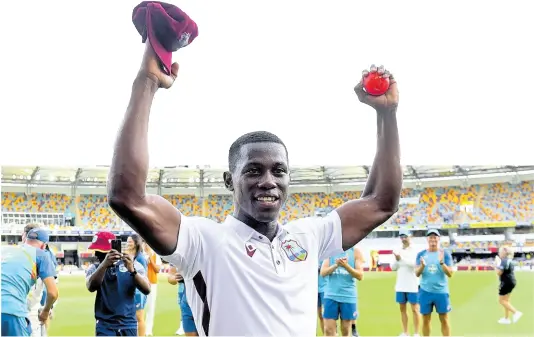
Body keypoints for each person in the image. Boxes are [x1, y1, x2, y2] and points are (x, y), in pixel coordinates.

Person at [107, 40, 402, 336]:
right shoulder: (203, 242)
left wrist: (387, 115)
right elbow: (128, 197)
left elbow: (381, 202)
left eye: (279, 171)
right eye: (253, 170)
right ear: (228, 181)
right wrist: (147, 82)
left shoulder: (309, 236)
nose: (268, 181)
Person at [86, 231, 151, 336]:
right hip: (104, 325)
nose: (96, 254)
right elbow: (91, 287)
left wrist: (132, 271)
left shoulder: (132, 264)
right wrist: (104, 265)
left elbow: (147, 289)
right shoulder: (94, 268)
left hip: (128, 324)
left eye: (99, 251)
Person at [1, 228, 58, 337]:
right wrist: (46, 311)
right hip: (12, 311)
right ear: (44, 245)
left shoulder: (5, 250)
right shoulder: (41, 254)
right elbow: (53, 293)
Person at [415, 229, 454, 337]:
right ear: (427, 239)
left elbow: (450, 274)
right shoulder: (421, 254)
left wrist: (441, 262)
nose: (433, 239)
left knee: (444, 319)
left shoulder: (445, 254)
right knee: (426, 320)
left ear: (438, 239)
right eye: (430, 237)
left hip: (441, 292)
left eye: (435, 237)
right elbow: (417, 273)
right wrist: (422, 266)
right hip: (425, 291)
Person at [321, 246, 364, 337]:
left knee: (345, 330)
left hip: (348, 296)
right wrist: (336, 265)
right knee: (328, 330)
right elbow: (323, 272)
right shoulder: (330, 251)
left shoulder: (355, 252)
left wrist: (346, 266)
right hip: (331, 295)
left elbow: (360, 275)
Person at [391, 229, 420, 337]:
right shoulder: (397, 250)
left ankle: (416, 333)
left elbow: (414, 264)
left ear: (410, 237)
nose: (403, 239)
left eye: (405, 237)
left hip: (413, 284)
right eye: (401, 237)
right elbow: (393, 267)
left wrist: (401, 258)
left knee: (415, 309)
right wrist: (397, 259)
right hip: (400, 285)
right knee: (402, 309)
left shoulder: (415, 250)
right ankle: (405, 332)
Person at [127, 234, 149, 336]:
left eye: (130, 241)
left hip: (139, 291)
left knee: (139, 317)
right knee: (133, 316)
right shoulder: (130, 255)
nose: (128, 243)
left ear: (136, 243)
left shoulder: (140, 258)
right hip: (131, 289)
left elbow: (143, 276)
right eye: (127, 241)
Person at [167, 264, 198, 336]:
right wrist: (175, 278)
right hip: (186, 298)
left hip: (205, 298)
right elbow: (170, 277)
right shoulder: (177, 254)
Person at [494, 247, 522, 324]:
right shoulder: (508, 260)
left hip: (506, 282)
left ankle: (516, 312)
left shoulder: (504, 261)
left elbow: (499, 273)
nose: (499, 253)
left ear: (504, 253)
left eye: (500, 252)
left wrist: (496, 265)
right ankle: (506, 319)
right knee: (506, 301)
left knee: (501, 300)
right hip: (511, 281)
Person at [144, 243, 162, 336]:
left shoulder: (155, 255)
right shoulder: (140, 254)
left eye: (147, 243)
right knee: (139, 307)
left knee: (150, 307)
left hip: (151, 283)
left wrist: (150, 259)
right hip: (140, 283)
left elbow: (157, 270)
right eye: (145, 243)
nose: (146, 245)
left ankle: (148, 330)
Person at [317, 264, 326, 335]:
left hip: (324, 289)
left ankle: (330, 333)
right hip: (313, 290)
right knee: (320, 316)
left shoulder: (325, 256)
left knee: (326, 316)